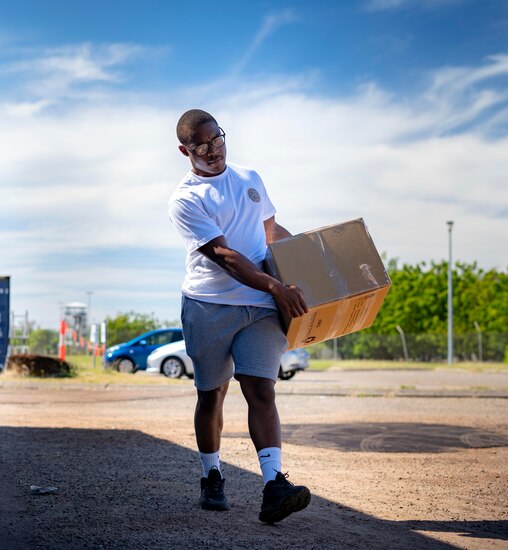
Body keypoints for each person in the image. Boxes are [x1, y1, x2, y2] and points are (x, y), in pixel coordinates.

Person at [168, 109, 312, 524]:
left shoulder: (250, 179)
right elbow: (225, 257)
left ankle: (274, 486)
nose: (214, 151)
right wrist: (277, 288)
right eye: (202, 146)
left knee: (261, 391)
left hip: (262, 307)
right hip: (209, 306)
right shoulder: (186, 199)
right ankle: (211, 474)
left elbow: (271, 233)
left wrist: (315, 257)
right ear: (185, 151)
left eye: (218, 140)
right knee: (211, 394)